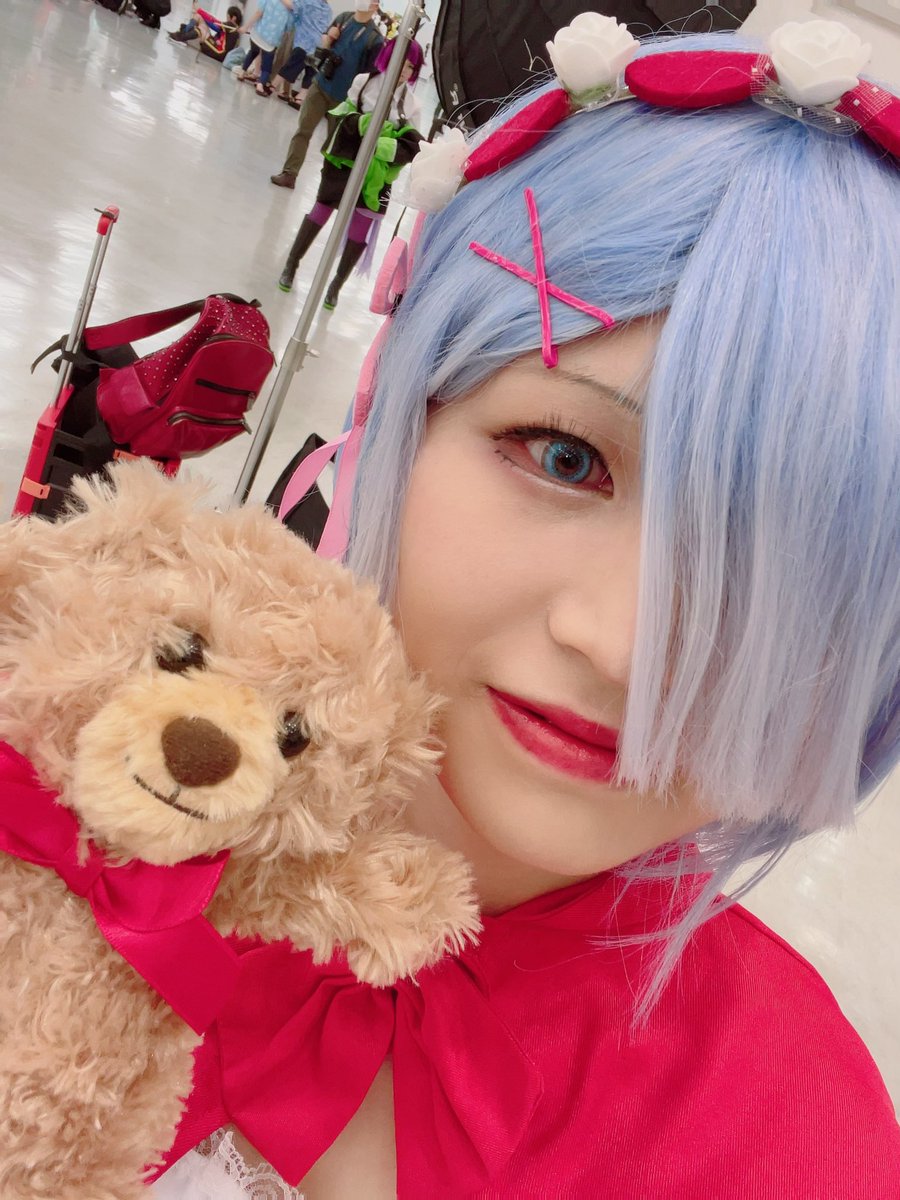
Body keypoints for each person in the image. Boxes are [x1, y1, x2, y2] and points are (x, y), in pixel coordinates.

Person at [149, 15, 899, 1197]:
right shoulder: (92, 798)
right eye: (565, 457)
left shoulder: (793, 1151)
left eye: (786, 567)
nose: (626, 648)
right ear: (403, 414)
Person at [277, 38, 424, 308]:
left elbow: (412, 144)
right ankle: (291, 264)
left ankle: (336, 285)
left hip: (377, 174)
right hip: (344, 161)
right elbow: (342, 117)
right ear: (388, 57)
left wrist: (383, 145)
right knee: (320, 210)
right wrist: (363, 125)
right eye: (400, 62)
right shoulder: (364, 82)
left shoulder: (412, 105)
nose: (403, 70)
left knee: (360, 228)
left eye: (410, 66)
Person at [269, 0, 383, 190]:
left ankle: (327, 189)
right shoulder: (344, 19)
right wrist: (329, 38)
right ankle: (289, 173)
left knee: (334, 147)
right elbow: (323, 47)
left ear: (375, 5)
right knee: (303, 131)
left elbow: (369, 78)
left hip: (344, 101)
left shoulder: (375, 39)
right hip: (321, 85)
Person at [272, 0, 334, 108]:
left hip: (305, 42)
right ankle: (300, 98)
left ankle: (272, 86)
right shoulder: (328, 10)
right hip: (319, 45)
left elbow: (292, 6)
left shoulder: (308, 1)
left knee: (290, 66)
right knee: (310, 72)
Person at [235, 0, 298, 97]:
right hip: (271, 40)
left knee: (253, 53)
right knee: (266, 67)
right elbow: (288, 27)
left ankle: (242, 73)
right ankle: (260, 85)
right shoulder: (290, 9)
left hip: (257, 33)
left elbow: (258, 13)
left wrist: (246, 27)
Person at [168, 5, 243, 62]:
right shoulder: (233, 29)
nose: (227, 19)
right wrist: (201, 14)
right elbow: (219, 33)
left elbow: (215, 23)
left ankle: (180, 37)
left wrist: (200, 11)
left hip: (219, 53)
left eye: (228, 17)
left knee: (202, 29)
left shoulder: (232, 26)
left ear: (234, 18)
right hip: (217, 48)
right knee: (199, 17)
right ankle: (182, 34)